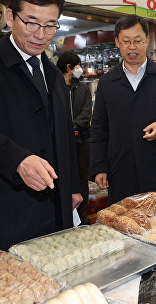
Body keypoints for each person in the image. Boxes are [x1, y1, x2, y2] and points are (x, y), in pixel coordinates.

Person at [0, 0, 82, 253]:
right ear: (10, 17)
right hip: (4, 204)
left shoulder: (52, 73)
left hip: (53, 206)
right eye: (32, 22)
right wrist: (19, 160)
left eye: (51, 25)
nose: (41, 34)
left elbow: (64, 134)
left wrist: (72, 187)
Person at [90, 14, 156, 204]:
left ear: (147, 40)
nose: (132, 47)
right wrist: (98, 167)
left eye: (137, 41)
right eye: (126, 41)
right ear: (117, 42)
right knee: (124, 225)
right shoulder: (107, 82)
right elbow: (99, 127)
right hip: (121, 172)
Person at [56, 52, 92, 225]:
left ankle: (82, 214)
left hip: (82, 140)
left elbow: (87, 112)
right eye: (77, 65)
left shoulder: (83, 88)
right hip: (60, 142)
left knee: (82, 177)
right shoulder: (55, 88)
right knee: (62, 177)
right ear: (68, 67)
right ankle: (64, 214)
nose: (80, 69)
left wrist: (73, 127)